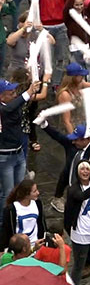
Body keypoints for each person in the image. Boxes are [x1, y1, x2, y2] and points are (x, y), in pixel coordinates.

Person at [0, 79, 40, 227]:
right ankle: (4, 222)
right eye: (10, 93)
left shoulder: (13, 104)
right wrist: (28, 92)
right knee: (7, 192)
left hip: (18, 153)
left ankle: (17, 216)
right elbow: (9, 109)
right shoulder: (3, 109)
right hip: (5, 157)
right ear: (1, 97)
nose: (14, 94)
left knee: (19, 187)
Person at [0, 180, 46, 252]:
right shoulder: (12, 209)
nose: (38, 193)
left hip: (36, 245)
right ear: (26, 194)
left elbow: (41, 222)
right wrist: (2, 249)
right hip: (19, 248)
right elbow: (5, 229)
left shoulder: (37, 203)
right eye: (34, 191)